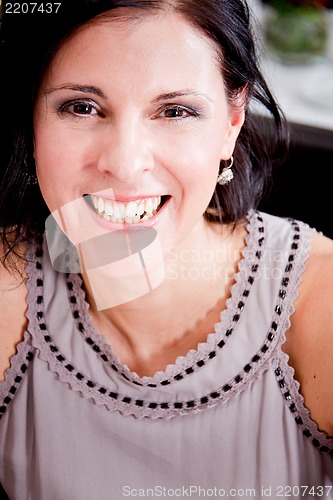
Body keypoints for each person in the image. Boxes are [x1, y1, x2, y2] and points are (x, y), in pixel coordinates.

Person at [0, 0, 332, 498]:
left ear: (231, 122)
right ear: (32, 119)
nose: (126, 164)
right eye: (82, 107)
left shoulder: (319, 301)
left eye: (175, 111)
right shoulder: (10, 286)